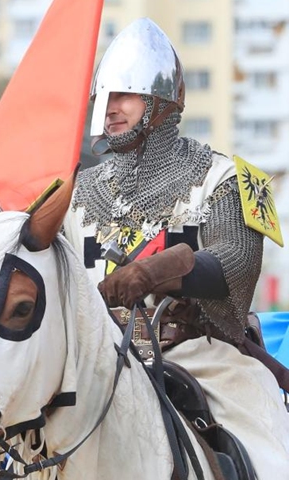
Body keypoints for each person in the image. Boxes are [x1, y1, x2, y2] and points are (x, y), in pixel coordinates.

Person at [65, 18, 289, 476]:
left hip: (200, 357)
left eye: (125, 96)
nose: (110, 109)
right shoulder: (72, 196)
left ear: (162, 104)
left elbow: (236, 266)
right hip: (94, 365)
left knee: (272, 459)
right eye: (105, 98)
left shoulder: (228, 179)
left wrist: (160, 270)